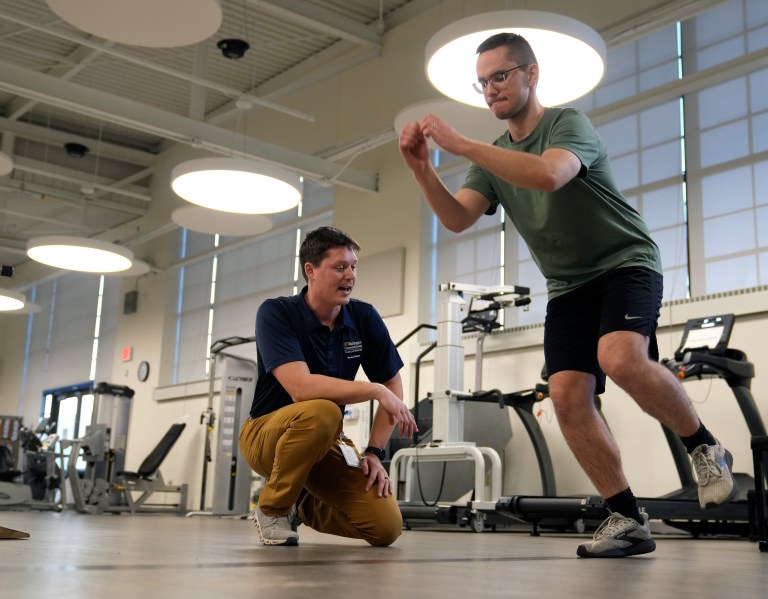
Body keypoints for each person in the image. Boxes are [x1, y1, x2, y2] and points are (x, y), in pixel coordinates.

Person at [398, 33, 737, 558]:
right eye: (482, 82)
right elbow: (457, 217)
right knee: (565, 396)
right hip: (568, 285)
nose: (490, 90)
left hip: (625, 261)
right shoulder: (490, 159)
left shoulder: (566, 124)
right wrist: (422, 168)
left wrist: (462, 144)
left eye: (500, 76)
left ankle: (704, 447)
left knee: (620, 358)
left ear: (531, 74)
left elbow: (551, 174)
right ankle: (625, 516)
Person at [239, 226, 417, 547]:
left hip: (326, 437)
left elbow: (392, 380)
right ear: (311, 271)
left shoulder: (363, 317)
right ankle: (273, 508)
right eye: (339, 267)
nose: (350, 275)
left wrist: (374, 452)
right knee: (322, 411)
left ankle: (301, 508)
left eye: (353, 266)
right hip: (266, 434)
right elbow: (301, 388)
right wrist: (375, 391)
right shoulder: (276, 313)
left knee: (385, 528)